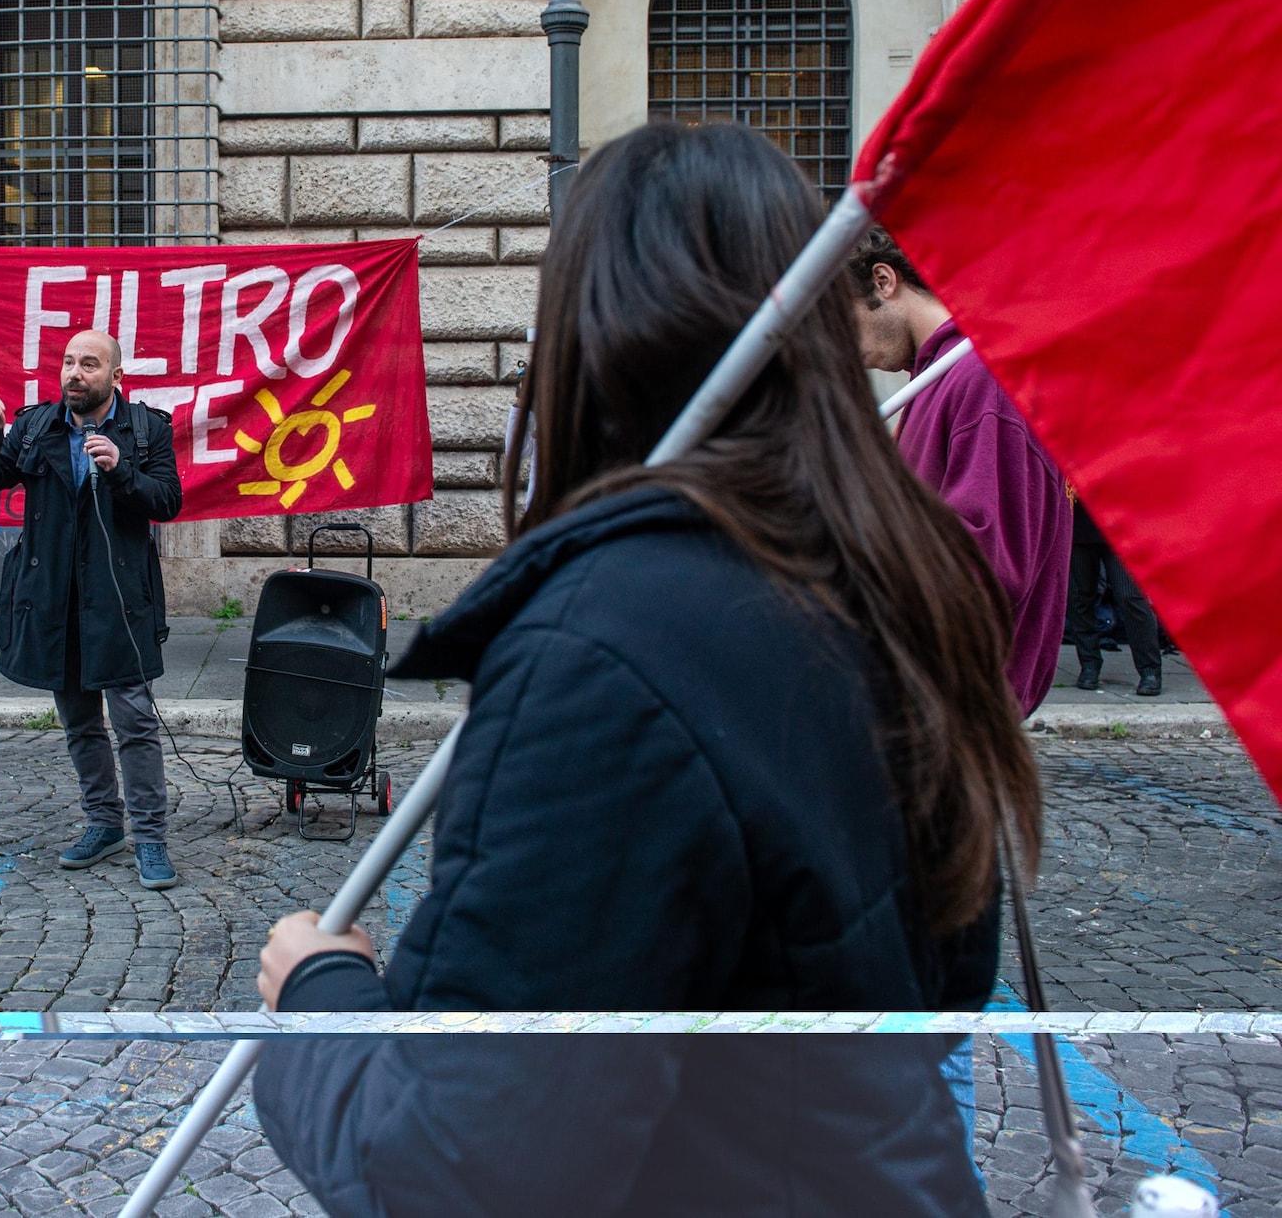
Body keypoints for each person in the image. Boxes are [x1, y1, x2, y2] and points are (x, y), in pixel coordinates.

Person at [250, 123, 1038, 1214]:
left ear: (590, 333)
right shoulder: (894, 576)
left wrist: (318, 993)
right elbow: (946, 980)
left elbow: (458, 1169)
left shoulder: (600, 651)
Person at [0, 329, 184, 890]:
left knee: (133, 721)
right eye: (68, 362)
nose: (74, 372)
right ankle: (104, 824)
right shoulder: (35, 425)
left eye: (89, 364)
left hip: (119, 600)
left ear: (115, 377)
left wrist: (121, 470)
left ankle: (150, 839)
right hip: (55, 600)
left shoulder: (147, 429)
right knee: (80, 721)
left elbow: (169, 501)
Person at [849, 228, 1073, 716]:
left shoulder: (984, 379)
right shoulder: (937, 382)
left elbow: (985, 565)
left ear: (883, 281)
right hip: (925, 692)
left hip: (955, 703)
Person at [1070, 497, 1163, 695]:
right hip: (1077, 520)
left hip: (1120, 520)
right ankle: (1089, 665)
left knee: (1130, 596)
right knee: (1080, 597)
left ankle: (1150, 670)